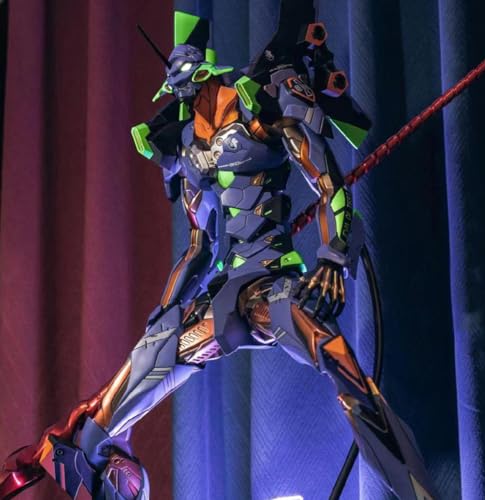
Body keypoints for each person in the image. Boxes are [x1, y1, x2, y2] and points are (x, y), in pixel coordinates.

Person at [0, 7, 438, 500]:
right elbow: (198, 247)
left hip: (272, 282)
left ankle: (417, 490)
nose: (186, 100)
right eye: (178, 93)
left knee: (338, 360)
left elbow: (328, 184)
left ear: (206, 74)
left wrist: (334, 254)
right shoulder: (189, 150)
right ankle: (107, 465)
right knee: (98, 428)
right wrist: (164, 314)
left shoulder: (260, 112)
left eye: (190, 87)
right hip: (222, 299)